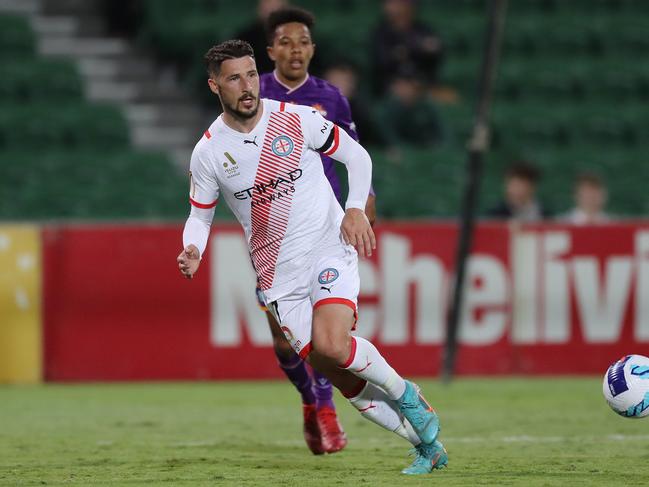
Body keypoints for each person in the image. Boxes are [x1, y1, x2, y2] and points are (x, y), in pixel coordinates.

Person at [177, 40, 447, 475]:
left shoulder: (296, 119)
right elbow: (199, 217)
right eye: (233, 78)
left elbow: (356, 156)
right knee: (337, 372)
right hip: (278, 278)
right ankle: (425, 445)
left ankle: (408, 395)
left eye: (250, 74)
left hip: (327, 247)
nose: (246, 86)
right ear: (215, 86)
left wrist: (355, 207)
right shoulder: (208, 152)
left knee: (331, 344)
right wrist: (193, 249)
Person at [259, 7, 377, 455]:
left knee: (324, 331)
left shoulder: (330, 96)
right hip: (272, 232)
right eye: (286, 42)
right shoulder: (255, 93)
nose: (295, 49)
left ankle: (325, 405)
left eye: (303, 42)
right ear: (271, 50)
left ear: (312, 49)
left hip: (324, 228)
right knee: (281, 333)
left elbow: (353, 155)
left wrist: (364, 204)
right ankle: (309, 399)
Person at [370, 0, 444, 96]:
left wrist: (409, 50)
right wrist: (417, 48)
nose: (389, 7)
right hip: (392, 85)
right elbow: (382, 62)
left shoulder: (422, 29)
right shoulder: (381, 33)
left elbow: (434, 52)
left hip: (421, 84)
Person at [486, 161, 552, 221]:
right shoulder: (495, 215)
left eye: (519, 185)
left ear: (532, 187)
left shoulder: (545, 215)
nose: (514, 190)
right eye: (511, 184)